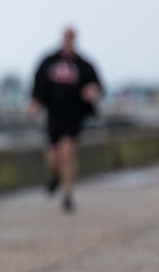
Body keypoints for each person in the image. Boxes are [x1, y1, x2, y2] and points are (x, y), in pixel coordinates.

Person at [28, 26, 103, 213]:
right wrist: (34, 104)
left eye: (72, 36)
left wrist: (92, 92)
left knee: (67, 151)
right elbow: (38, 88)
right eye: (66, 36)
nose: (68, 39)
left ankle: (68, 196)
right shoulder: (48, 61)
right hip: (53, 116)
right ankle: (56, 177)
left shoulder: (84, 64)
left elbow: (98, 86)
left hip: (74, 116)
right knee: (53, 157)